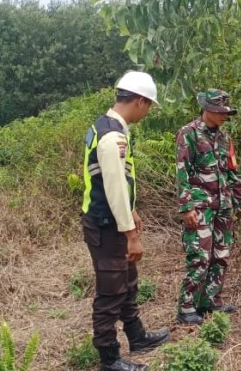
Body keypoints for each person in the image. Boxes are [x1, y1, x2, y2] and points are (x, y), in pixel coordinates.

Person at [80, 71, 170, 371]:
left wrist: (131, 210)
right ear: (140, 101)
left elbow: (118, 180)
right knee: (111, 292)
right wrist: (131, 234)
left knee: (128, 281)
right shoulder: (112, 138)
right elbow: (115, 188)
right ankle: (109, 358)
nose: (147, 112)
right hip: (106, 226)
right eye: (149, 106)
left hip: (113, 219)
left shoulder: (108, 127)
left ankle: (137, 336)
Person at [175, 89, 241, 324]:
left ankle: (210, 302)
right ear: (207, 109)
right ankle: (187, 308)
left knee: (221, 255)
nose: (224, 116)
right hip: (200, 207)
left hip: (224, 206)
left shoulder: (224, 138)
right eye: (220, 111)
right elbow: (182, 172)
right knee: (199, 256)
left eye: (226, 112)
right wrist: (186, 207)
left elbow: (232, 172)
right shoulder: (188, 133)